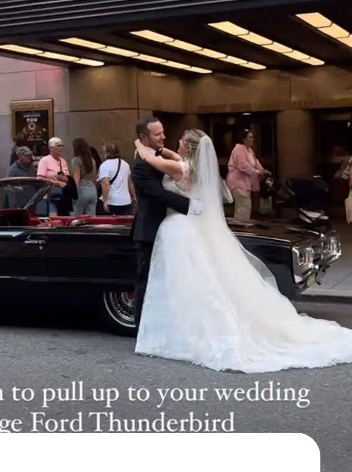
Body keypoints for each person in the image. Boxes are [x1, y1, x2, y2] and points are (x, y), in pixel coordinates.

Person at [134, 128, 352, 371]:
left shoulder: (180, 168)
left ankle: (186, 327)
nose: (177, 143)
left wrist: (140, 145)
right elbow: (173, 156)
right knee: (196, 279)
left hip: (180, 227)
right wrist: (161, 148)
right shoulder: (189, 165)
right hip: (187, 225)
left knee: (186, 280)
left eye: (181, 141)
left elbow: (153, 160)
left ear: (189, 147)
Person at [131, 119, 202, 333]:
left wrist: (144, 146)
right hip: (150, 230)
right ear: (144, 138)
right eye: (157, 134)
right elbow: (159, 195)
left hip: (172, 228)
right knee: (146, 281)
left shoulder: (161, 157)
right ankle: (142, 330)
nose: (163, 136)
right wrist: (194, 207)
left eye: (163, 132)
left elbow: (165, 159)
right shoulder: (142, 164)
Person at [227, 129, 268, 222]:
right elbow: (243, 165)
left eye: (252, 137)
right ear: (244, 139)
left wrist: (262, 170)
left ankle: (241, 225)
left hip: (245, 183)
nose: (252, 139)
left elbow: (256, 162)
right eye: (250, 137)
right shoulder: (239, 149)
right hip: (238, 182)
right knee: (244, 206)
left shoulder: (249, 150)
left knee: (244, 207)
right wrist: (257, 172)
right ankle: (241, 226)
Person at [98, 142, 135, 215]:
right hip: (126, 201)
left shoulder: (104, 165)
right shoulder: (125, 164)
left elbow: (105, 184)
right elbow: (130, 183)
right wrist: (134, 196)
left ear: (106, 152)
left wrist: (105, 201)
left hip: (113, 202)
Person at [37, 137, 70, 215]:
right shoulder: (44, 161)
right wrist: (56, 183)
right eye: (58, 146)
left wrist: (63, 178)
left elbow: (67, 178)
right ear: (51, 148)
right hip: (49, 196)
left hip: (62, 195)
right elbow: (40, 178)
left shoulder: (63, 161)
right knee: (53, 217)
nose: (61, 148)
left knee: (64, 217)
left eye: (62, 146)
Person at [71, 138, 98, 216]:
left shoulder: (76, 160)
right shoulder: (92, 160)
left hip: (81, 189)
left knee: (76, 217)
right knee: (91, 218)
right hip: (93, 190)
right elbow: (95, 177)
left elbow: (76, 178)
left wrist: (72, 193)